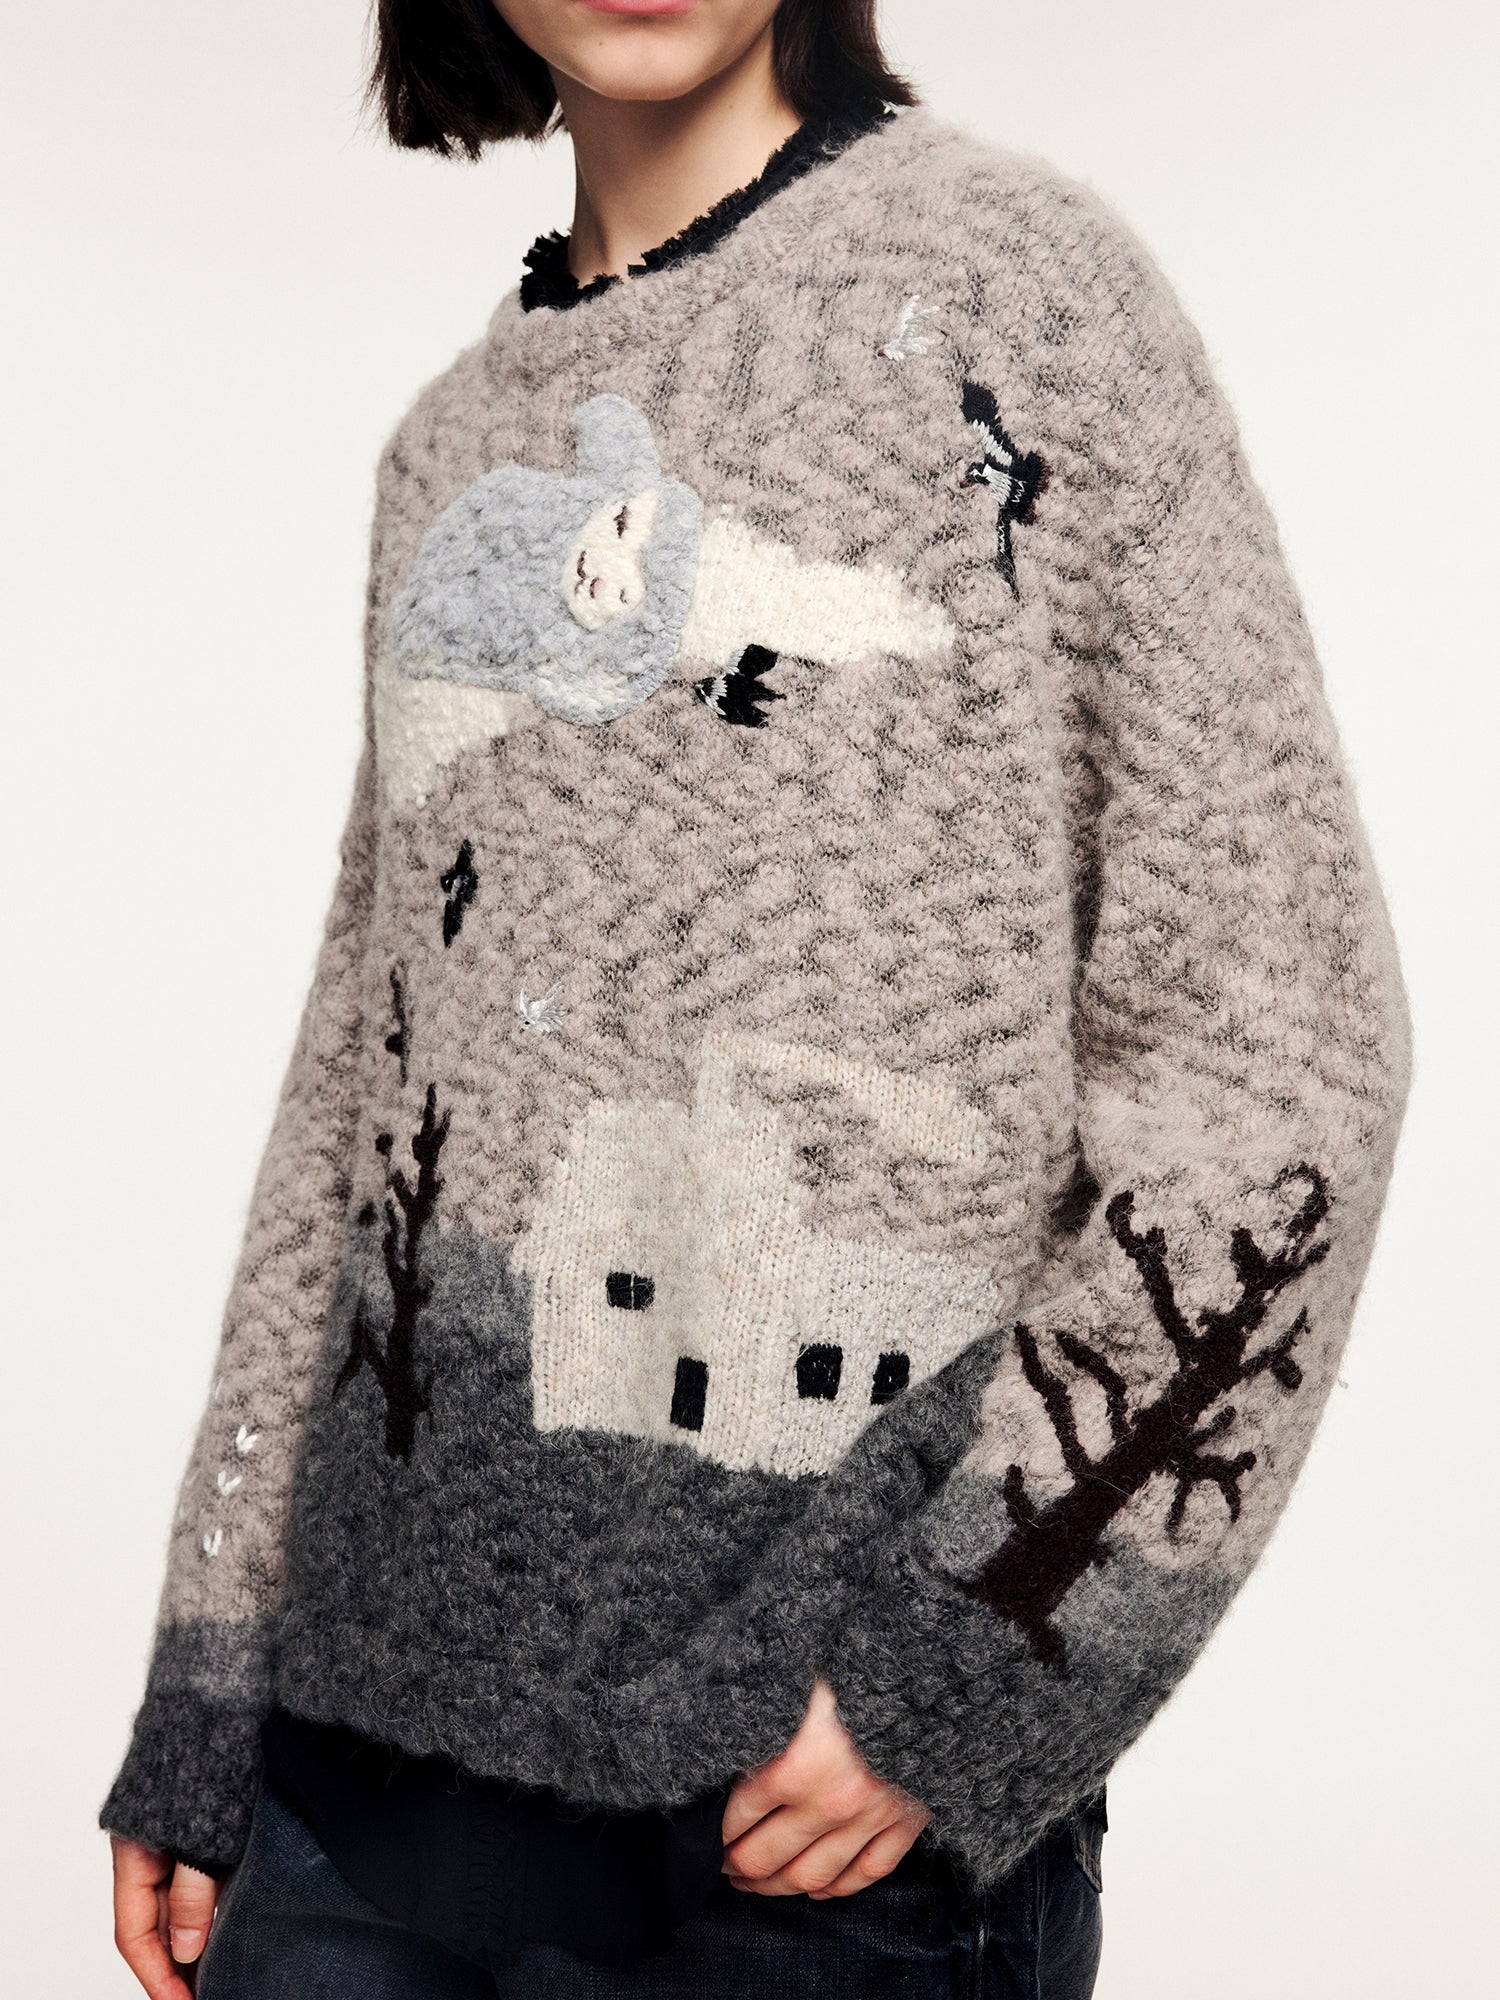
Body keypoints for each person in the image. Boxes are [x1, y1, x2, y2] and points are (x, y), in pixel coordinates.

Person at [102, 2, 1411, 1995]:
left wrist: (969, 1664)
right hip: (355, 1796)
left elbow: (1284, 1049)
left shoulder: (1023, 300)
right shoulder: (449, 451)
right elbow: (358, 1095)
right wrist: (211, 1674)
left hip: (806, 1823)